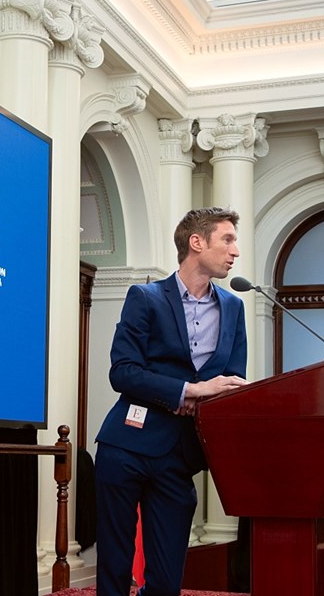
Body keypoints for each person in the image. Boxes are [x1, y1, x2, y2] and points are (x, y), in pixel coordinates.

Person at [94, 207, 249, 596]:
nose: (236, 251)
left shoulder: (234, 307)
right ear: (197, 243)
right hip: (126, 443)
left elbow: (230, 382)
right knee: (114, 567)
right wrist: (190, 391)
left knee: (165, 581)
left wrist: (207, 396)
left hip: (180, 455)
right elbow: (123, 372)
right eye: (227, 239)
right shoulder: (145, 297)